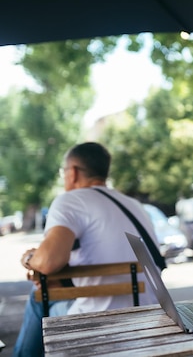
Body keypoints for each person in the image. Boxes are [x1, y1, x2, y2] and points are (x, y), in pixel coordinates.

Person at [13, 142, 159, 357]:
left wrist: (28, 258)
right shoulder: (134, 205)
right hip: (148, 311)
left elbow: (47, 262)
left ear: (72, 173)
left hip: (99, 319)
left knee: (38, 298)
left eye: (63, 172)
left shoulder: (70, 200)